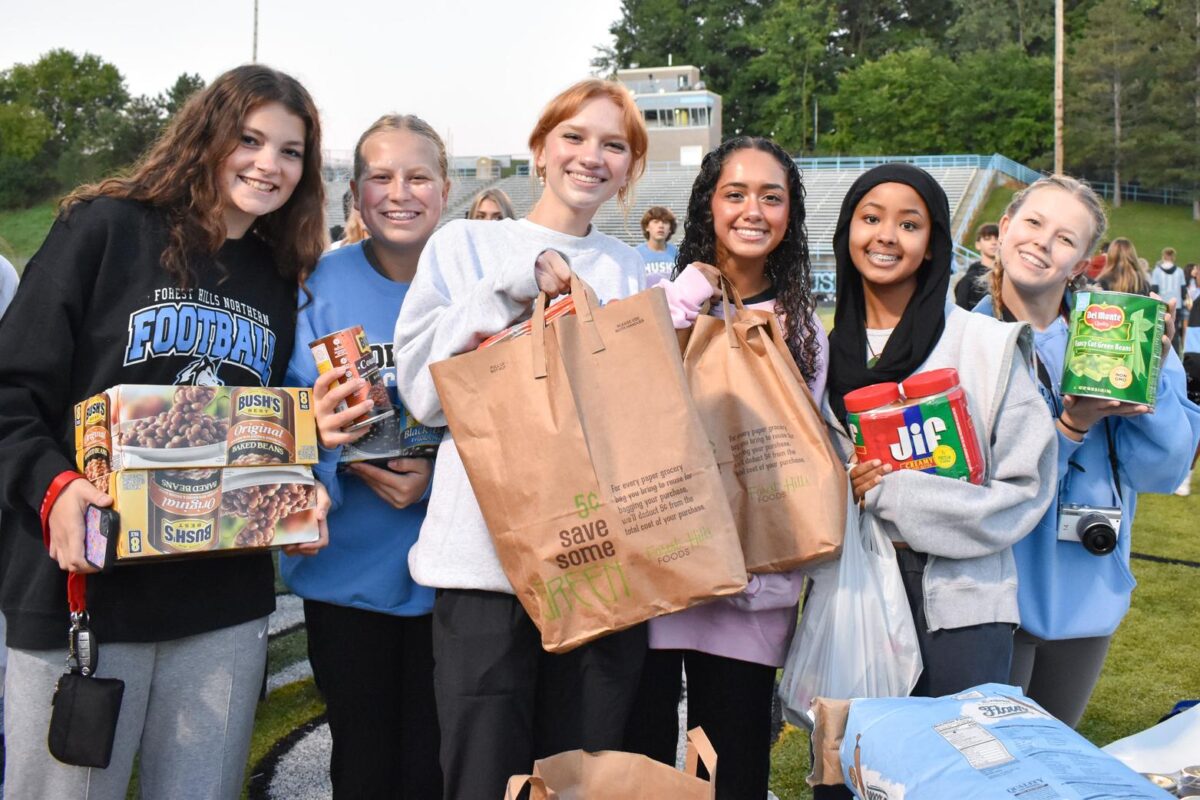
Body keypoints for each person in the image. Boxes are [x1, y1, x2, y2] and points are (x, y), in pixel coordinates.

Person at [0, 64, 329, 799]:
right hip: (83, 590)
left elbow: (258, 430)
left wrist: (292, 491)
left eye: (290, 151)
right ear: (206, 134)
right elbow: (10, 392)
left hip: (218, 604)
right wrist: (52, 489)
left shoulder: (277, 275)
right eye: (249, 139)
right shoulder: (106, 228)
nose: (268, 164)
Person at [392, 78, 649, 798]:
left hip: (599, 567)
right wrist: (513, 284)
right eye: (573, 136)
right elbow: (421, 391)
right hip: (482, 566)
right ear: (539, 150)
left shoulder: (627, 267)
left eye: (613, 145)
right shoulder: (465, 245)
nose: (591, 157)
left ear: (631, 168)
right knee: (482, 773)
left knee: (579, 775)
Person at [820, 165, 1056, 795]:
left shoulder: (987, 346)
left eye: (910, 222)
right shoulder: (815, 356)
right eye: (871, 218)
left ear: (935, 241)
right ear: (847, 231)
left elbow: (1023, 492)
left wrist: (897, 493)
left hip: (963, 598)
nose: (886, 235)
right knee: (845, 772)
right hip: (852, 593)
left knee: (957, 776)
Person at [623, 137, 826, 799]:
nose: (753, 210)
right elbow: (625, 400)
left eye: (772, 196)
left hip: (750, 588)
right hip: (656, 576)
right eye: (735, 193)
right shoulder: (658, 292)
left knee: (729, 767)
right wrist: (686, 298)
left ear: (791, 214)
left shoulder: (802, 329)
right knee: (644, 764)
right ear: (707, 205)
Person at [976, 176, 1200, 725]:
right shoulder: (960, 337)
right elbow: (976, 484)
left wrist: (1154, 375)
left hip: (1086, 593)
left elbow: (1163, 468)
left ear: (1082, 263)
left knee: (1051, 766)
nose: (1042, 243)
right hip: (988, 595)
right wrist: (1073, 424)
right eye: (1032, 223)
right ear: (1004, 230)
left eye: (1065, 238)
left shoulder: (1124, 332)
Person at [280, 114, 447, 798]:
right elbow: (281, 417)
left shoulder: (479, 284)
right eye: (381, 176)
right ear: (355, 192)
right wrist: (319, 440)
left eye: (418, 176)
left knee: (437, 766)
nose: (399, 192)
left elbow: (520, 425)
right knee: (362, 763)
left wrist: (440, 479)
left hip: (454, 576)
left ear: (445, 189)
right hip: (345, 572)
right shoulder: (313, 287)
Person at [953, 222, 999, 309]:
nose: (993, 242)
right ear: (978, 245)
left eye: (997, 238)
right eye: (987, 238)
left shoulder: (1009, 276)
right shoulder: (968, 281)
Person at [1151, 247, 1187, 354]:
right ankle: (1175, 356)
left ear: (1163, 257)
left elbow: (1154, 289)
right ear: (1173, 257)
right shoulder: (1180, 271)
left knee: (1161, 333)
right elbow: (1183, 290)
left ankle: (1159, 354)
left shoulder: (1157, 271)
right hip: (1177, 306)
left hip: (1162, 306)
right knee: (1174, 333)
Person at [636, 205, 679, 286]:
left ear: (670, 229)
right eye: (656, 222)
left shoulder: (678, 255)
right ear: (647, 227)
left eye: (665, 222)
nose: (661, 226)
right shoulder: (636, 254)